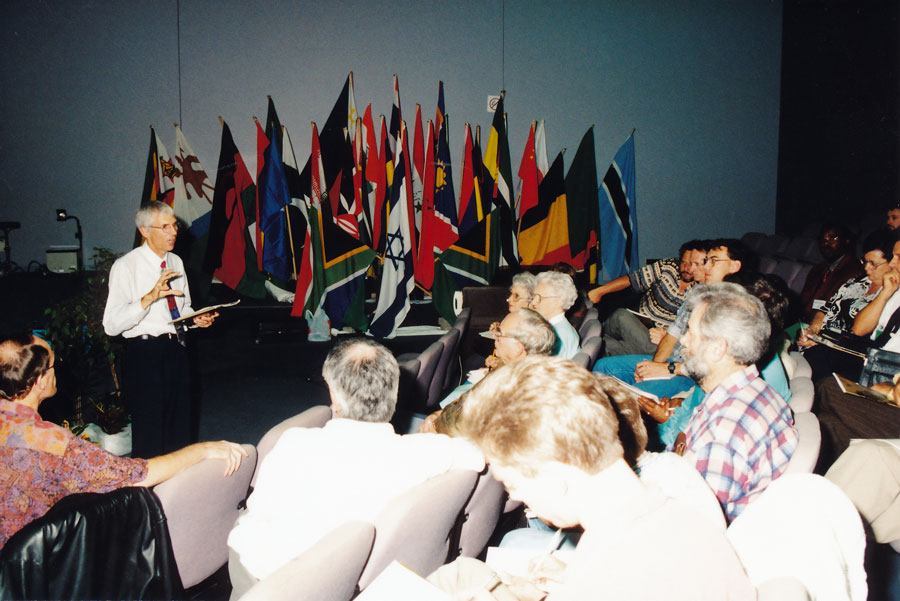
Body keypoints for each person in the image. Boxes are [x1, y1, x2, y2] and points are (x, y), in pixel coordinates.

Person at [437, 356, 755, 600]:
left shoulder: (605, 577)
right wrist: (573, 581)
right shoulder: (678, 514)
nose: (518, 497)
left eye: (514, 484)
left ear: (556, 475)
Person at [226, 339, 484, 595]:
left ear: (334, 396)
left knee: (244, 527)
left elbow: (259, 512)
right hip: (364, 580)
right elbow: (476, 453)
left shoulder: (294, 445)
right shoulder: (421, 453)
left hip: (276, 584)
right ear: (394, 393)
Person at [0, 332, 246, 549]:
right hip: (23, 567)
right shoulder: (52, 443)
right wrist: (203, 450)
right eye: (54, 363)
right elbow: (138, 476)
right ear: (41, 380)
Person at [102, 201, 218, 458]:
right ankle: (148, 483)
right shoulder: (126, 266)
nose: (173, 232)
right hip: (145, 353)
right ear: (144, 231)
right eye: (164, 227)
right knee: (151, 430)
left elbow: (182, 308)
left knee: (181, 425)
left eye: (174, 225)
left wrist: (195, 319)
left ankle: (181, 480)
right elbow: (111, 325)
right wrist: (148, 298)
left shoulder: (175, 261)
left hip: (177, 348)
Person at [675, 283, 797, 522]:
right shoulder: (760, 391)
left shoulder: (722, 434)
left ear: (717, 349)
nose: (683, 339)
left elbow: (693, 527)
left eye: (690, 332)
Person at [592, 238, 748, 399]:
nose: (706, 266)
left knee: (636, 396)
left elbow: (707, 365)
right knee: (602, 366)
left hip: (690, 375)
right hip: (672, 361)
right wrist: (655, 366)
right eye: (706, 260)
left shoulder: (735, 307)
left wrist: (667, 369)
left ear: (734, 266)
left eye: (713, 261)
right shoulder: (698, 292)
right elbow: (672, 335)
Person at [426, 308, 555, 434]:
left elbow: (466, 428)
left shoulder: (513, 388)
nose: (494, 337)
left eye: (499, 335)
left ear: (518, 348)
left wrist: (436, 425)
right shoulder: (508, 366)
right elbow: (467, 401)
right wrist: (439, 415)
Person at [798, 229, 896, 380]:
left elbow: (860, 331)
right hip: (824, 343)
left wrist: (821, 343)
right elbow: (825, 309)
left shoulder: (891, 292)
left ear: (892, 263)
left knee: (812, 359)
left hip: (848, 353)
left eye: (873, 264)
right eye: (865, 261)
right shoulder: (856, 281)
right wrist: (813, 331)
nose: (866, 268)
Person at [592, 240, 706, 356]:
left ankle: (652, 357)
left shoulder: (702, 290)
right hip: (640, 324)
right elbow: (634, 279)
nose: (687, 268)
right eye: (684, 262)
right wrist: (599, 291)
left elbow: (691, 329)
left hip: (662, 339)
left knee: (607, 344)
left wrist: (666, 333)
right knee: (619, 317)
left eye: (693, 264)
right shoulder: (669, 266)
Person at [798, 223, 863, 323]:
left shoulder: (854, 271)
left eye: (832, 238)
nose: (825, 244)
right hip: (803, 321)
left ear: (846, 241)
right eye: (822, 240)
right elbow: (803, 300)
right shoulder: (818, 269)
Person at [529, 271, 580, 359]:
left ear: (560, 301)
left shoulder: (555, 336)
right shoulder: (559, 326)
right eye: (534, 297)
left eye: (539, 298)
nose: (533, 302)